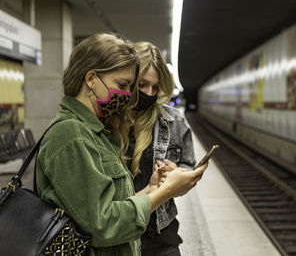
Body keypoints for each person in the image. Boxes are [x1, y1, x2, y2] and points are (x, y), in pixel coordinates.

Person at [35, 33, 208, 256]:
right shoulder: (73, 134)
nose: (128, 95)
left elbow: (111, 206)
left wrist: (152, 188)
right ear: (91, 79)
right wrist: (164, 193)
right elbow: (103, 226)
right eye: (124, 85)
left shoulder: (92, 131)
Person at [126, 41, 195, 256]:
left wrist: (177, 173)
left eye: (155, 87)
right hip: (121, 237)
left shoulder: (173, 120)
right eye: (142, 85)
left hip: (161, 234)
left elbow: (187, 167)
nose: (149, 93)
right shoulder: (108, 122)